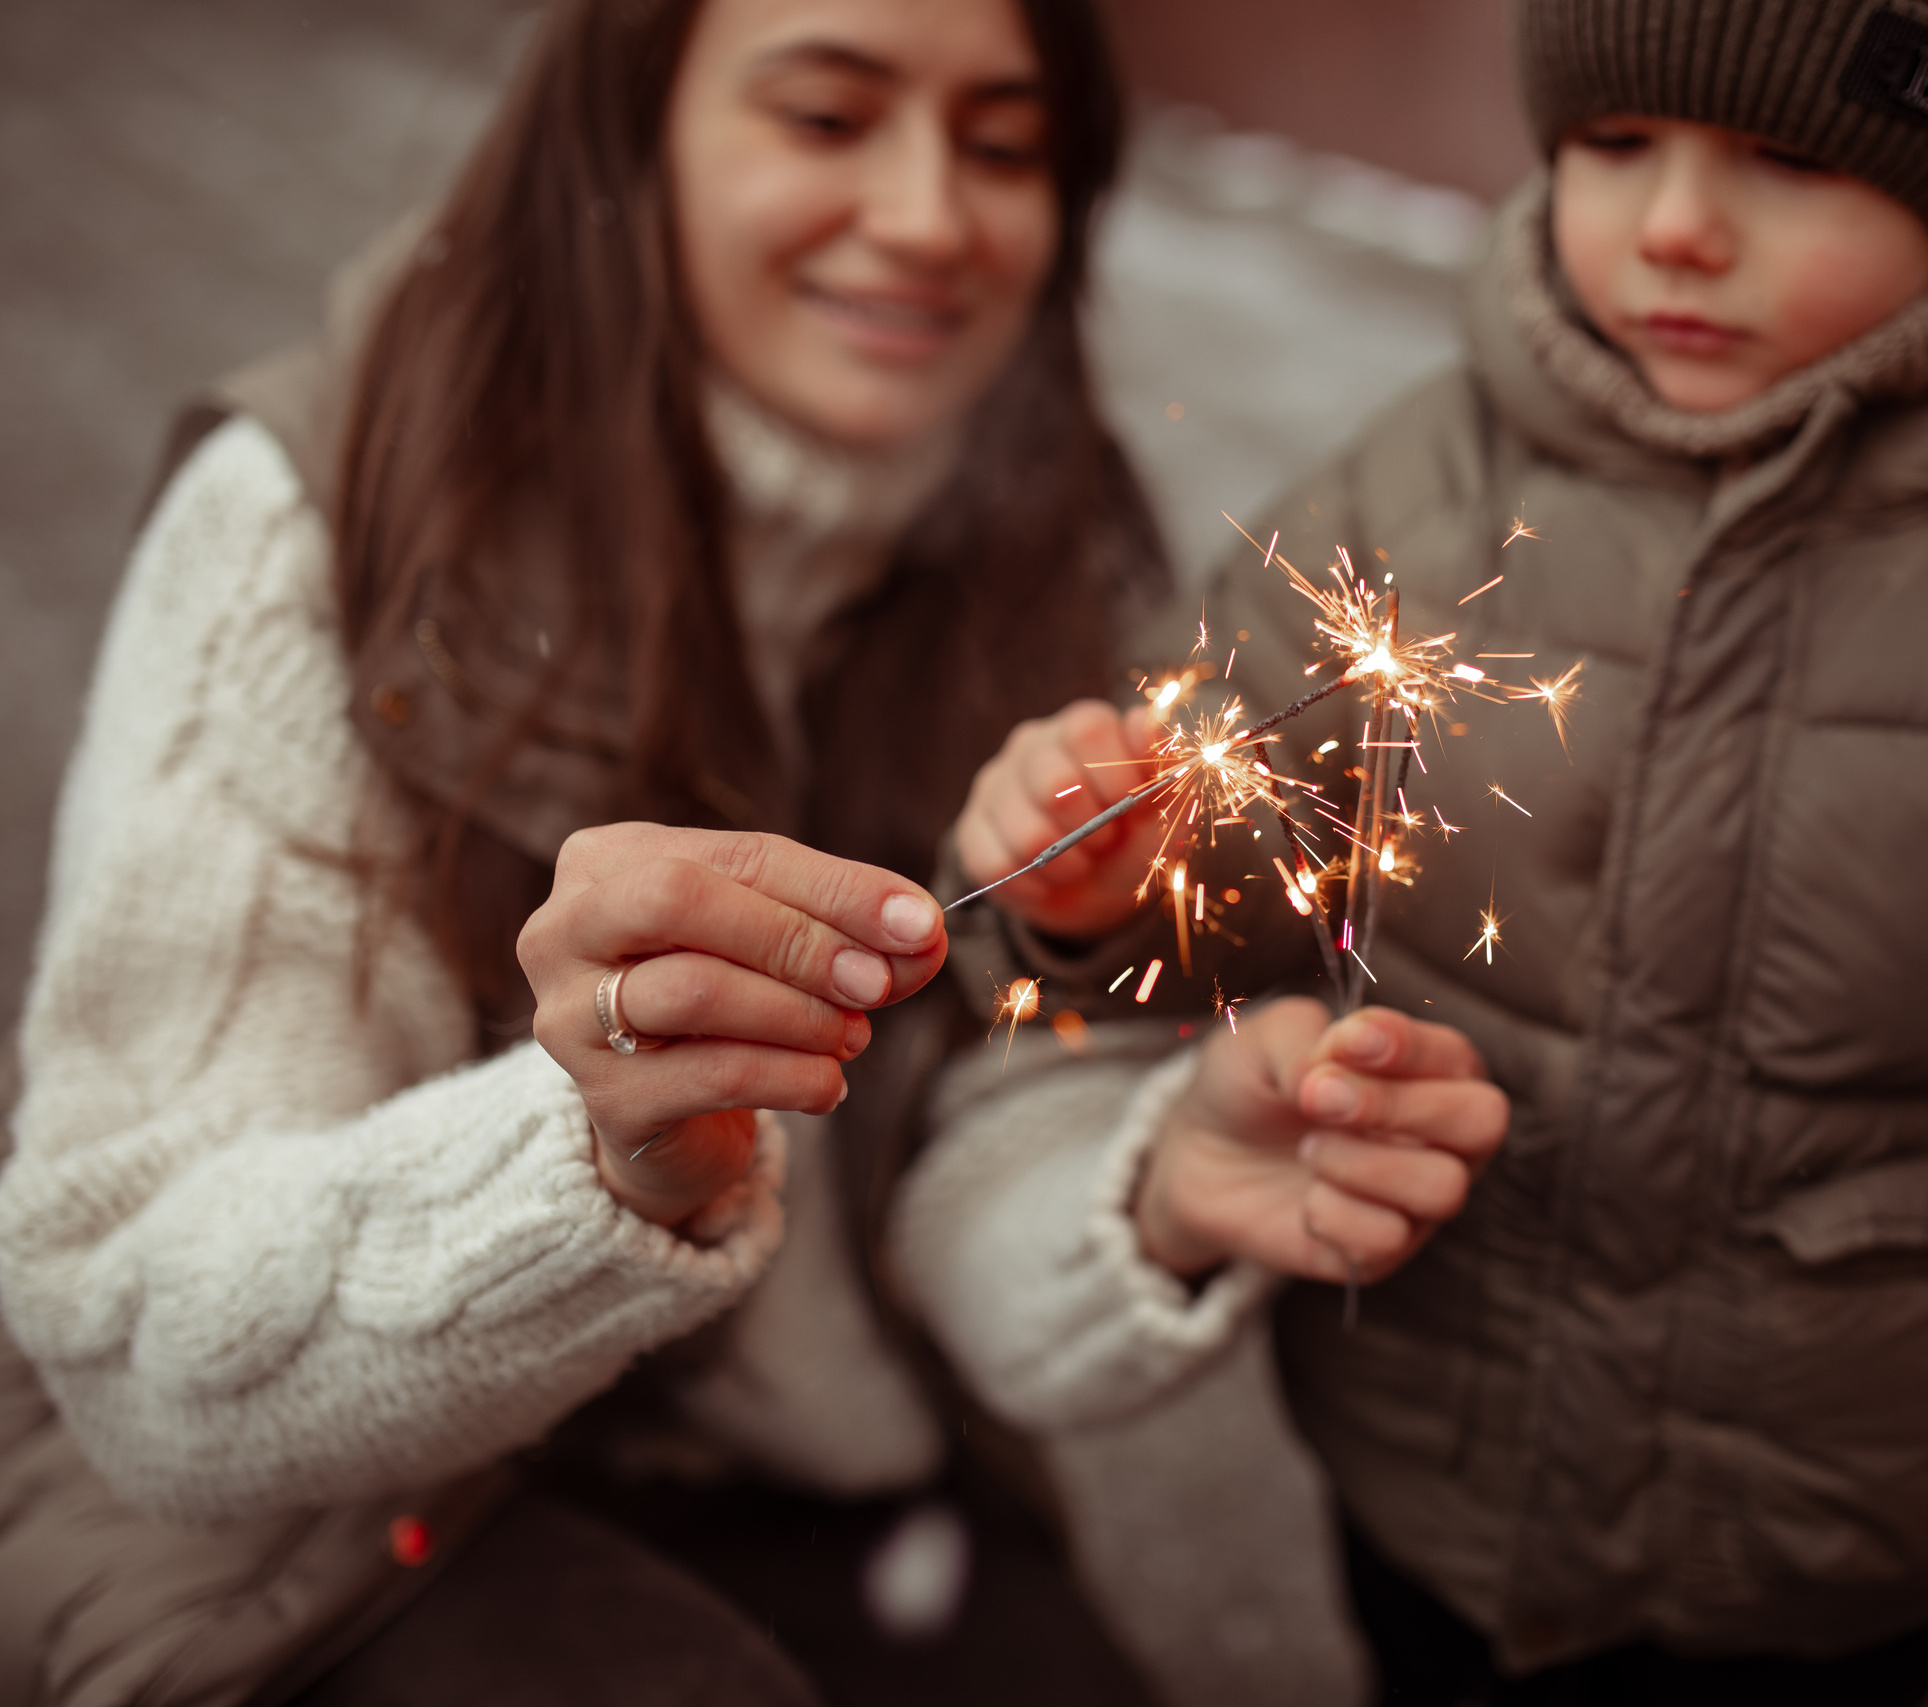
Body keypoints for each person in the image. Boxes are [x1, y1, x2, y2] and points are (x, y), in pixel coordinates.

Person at [912, 1, 1928, 1703]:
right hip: (1430, 1457)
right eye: (1616, 146)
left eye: (1792, 159)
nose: (1679, 225)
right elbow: (1251, 850)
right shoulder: (1421, 493)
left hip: (1828, 1539)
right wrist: (1101, 899)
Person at [0, 0, 1170, 1700]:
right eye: (830, 118)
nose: (928, 217)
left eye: (1001, 144)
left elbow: (984, 1155)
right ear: (629, 129)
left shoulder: (1058, 554)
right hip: (300, 1533)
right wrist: (595, 1160)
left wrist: (1163, 1183)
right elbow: (141, 1338)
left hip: (820, 1469)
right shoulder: (322, 522)